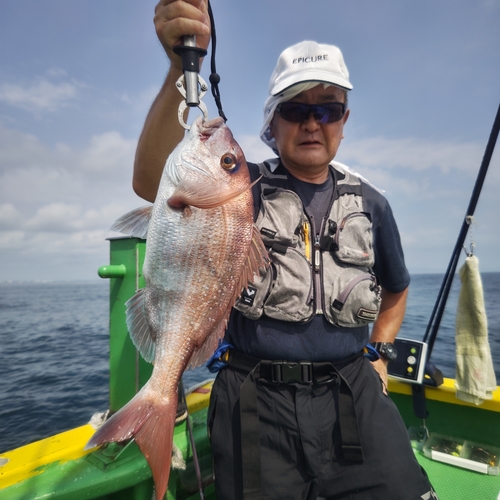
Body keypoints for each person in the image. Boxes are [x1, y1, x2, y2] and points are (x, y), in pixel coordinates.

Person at [134, 1, 438, 499]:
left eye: (328, 109)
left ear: (344, 120)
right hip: (255, 399)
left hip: (352, 391)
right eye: (296, 110)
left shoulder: (371, 203)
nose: (313, 123)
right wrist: (177, 68)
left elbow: (396, 288)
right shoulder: (236, 186)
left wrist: (380, 355)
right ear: (272, 124)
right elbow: (150, 182)